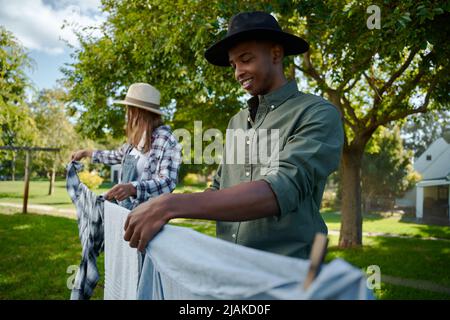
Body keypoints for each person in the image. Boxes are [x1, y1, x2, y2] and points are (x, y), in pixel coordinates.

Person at [122, 12, 344, 259]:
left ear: (276, 54)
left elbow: (280, 189)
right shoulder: (237, 121)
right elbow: (219, 186)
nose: (238, 72)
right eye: (233, 65)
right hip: (229, 268)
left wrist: (170, 205)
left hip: (289, 275)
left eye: (246, 59)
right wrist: (164, 214)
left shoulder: (318, 113)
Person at [71, 82, 182, 209]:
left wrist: (133, 188)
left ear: (139, 112)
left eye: (130, 109)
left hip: (146, 216)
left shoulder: (166, 140)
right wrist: (86, 153)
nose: (127, 114)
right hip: (124, 212)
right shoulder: (137, 138)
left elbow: (167, 183)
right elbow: (116, 156)